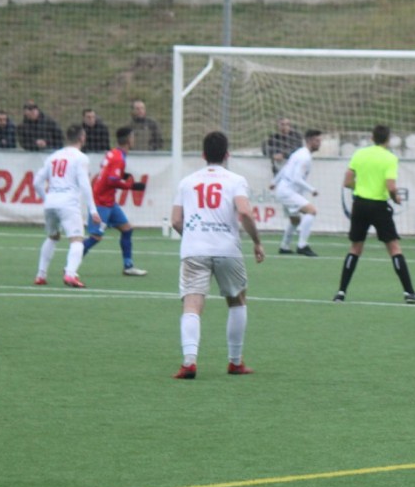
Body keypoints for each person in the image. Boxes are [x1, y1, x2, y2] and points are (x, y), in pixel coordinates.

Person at [171, 131, 265, 380]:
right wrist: (256, 241)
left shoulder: (186, 182)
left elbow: (176, 221)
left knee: (192, 304)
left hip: (194, 250)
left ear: (203, 155)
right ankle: (235, 362)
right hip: (227, 249)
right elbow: (244, 212)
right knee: (236, 300)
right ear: (227, 155)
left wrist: (193, 237)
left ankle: (189, 362)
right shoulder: (235, 180)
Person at [332, 125, 415, 305]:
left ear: (372, 137)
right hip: (378, 206)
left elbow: (347, 182)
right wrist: (396, 198)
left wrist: (361, 188)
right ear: (388, 139)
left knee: (355, 248)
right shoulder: (389, 158)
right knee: (394, 248)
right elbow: (391, 186)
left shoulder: (359, 154)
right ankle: (409, 292)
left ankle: (341, 292)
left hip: (360, 204)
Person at [32, 125, 103, 288]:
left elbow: (36, 182)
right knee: (77, 240)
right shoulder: (81, 158)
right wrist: (93, 210)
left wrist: (46, 198)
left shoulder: (53, 156)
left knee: (52, 237)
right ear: (82, 138)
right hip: (68, 203)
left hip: (51, 203)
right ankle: (70, 274)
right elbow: (85, 185)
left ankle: (40, 275)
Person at [82, 126, 149, 277]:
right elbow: (112, 179)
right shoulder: (119, 157)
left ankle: (128, 266)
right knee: (95, 237)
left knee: (127, 229)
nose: (134, 140)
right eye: (132, 137)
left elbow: (107, 172)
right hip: (101, 202)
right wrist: (131, 185)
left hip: (109, 201)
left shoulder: (113, 152)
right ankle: (72, 261)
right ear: (128, 140)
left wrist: (123, 175)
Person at [271, 129, 322, 256]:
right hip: (288, 191)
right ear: (309, 141)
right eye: (317, 141)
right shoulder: (304, 157)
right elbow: (296, 178)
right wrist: (312, 190)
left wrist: (274, 181)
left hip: (283, 189)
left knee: (295, 220)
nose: (319, 143)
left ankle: (284, 246)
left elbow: (285, 168)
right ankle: (302, 245)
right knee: (312, 211)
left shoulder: (299, 153)